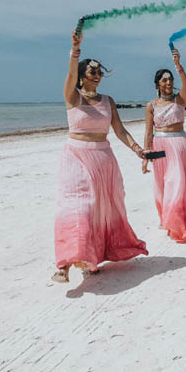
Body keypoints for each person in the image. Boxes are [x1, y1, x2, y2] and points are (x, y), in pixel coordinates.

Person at [52, 30, 147, 283]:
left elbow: (120, 130)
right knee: (77, 206)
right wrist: (75, 50)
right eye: (93, 71)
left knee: (99, 209)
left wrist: (138, 149)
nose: (98, 74)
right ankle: (64, 265)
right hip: (76, 157)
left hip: (103, 158)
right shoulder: (73, 97)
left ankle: (90, 258)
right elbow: (70, 73)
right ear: (82, 76)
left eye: (99, 71)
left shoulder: (108, 100)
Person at [141, 51, 186, 243]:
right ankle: (170, 220)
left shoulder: (180, 99)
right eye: (164, 80)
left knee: (178, 182)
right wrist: (146, 157)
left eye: (170, 79)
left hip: (179, 144)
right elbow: (148, 132)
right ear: (157, 85)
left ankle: (182, 221)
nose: (168, 83)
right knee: (163, 184)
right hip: (159, 145)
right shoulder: (151, 105)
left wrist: (179, 65)